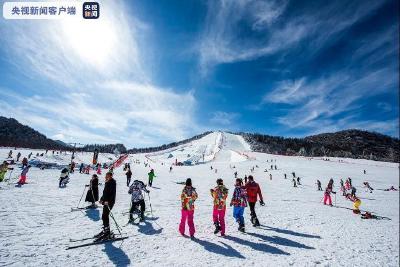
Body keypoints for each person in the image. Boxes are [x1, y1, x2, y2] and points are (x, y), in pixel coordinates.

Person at [96, 172, 116, 240]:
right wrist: (102, 199)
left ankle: (107, 232)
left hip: (109, 202)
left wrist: (107, 201)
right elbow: (105, 193)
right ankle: (106, 229)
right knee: (104, 216)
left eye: (107, 175)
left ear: (110, 176)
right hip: (106, 202)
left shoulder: (112, 182)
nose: (105, 177)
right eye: (105, 175)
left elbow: (111, 193)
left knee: (105, 216)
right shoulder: (107, 182)